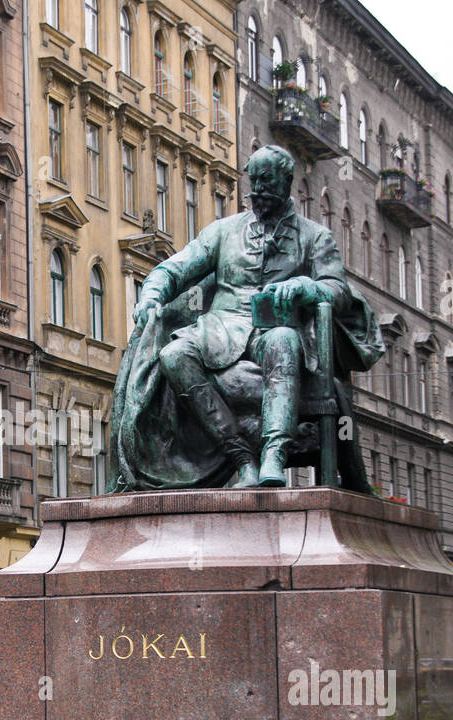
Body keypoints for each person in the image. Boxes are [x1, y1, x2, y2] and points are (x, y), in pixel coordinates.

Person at [111, 143, 384, 490]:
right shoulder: (224, 231)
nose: (259, 193)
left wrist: (305, 286)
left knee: (283, 341)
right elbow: (175, 269)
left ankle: (274, 453)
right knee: (173, 354)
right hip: (221, 329)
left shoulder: (315, 237)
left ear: (286, 183)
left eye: (268, 183)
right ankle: (242, 457)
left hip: (277, 326)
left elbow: (338, 290)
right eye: (254, 183)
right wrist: (151, 295)